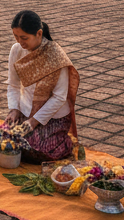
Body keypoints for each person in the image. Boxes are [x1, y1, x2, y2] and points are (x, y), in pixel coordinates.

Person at [5, 10, 80, 163]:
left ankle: (66, 143)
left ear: (39, 33)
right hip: (26, 111)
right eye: (16, 36)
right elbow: (13, 84)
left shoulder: (56, 56)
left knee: (36, 151)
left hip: (52, 116)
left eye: (24, 38)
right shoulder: (16, 50)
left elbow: (59, 97)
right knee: (6, 143)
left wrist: (33, 122)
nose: (20, 42)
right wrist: (14, 109)